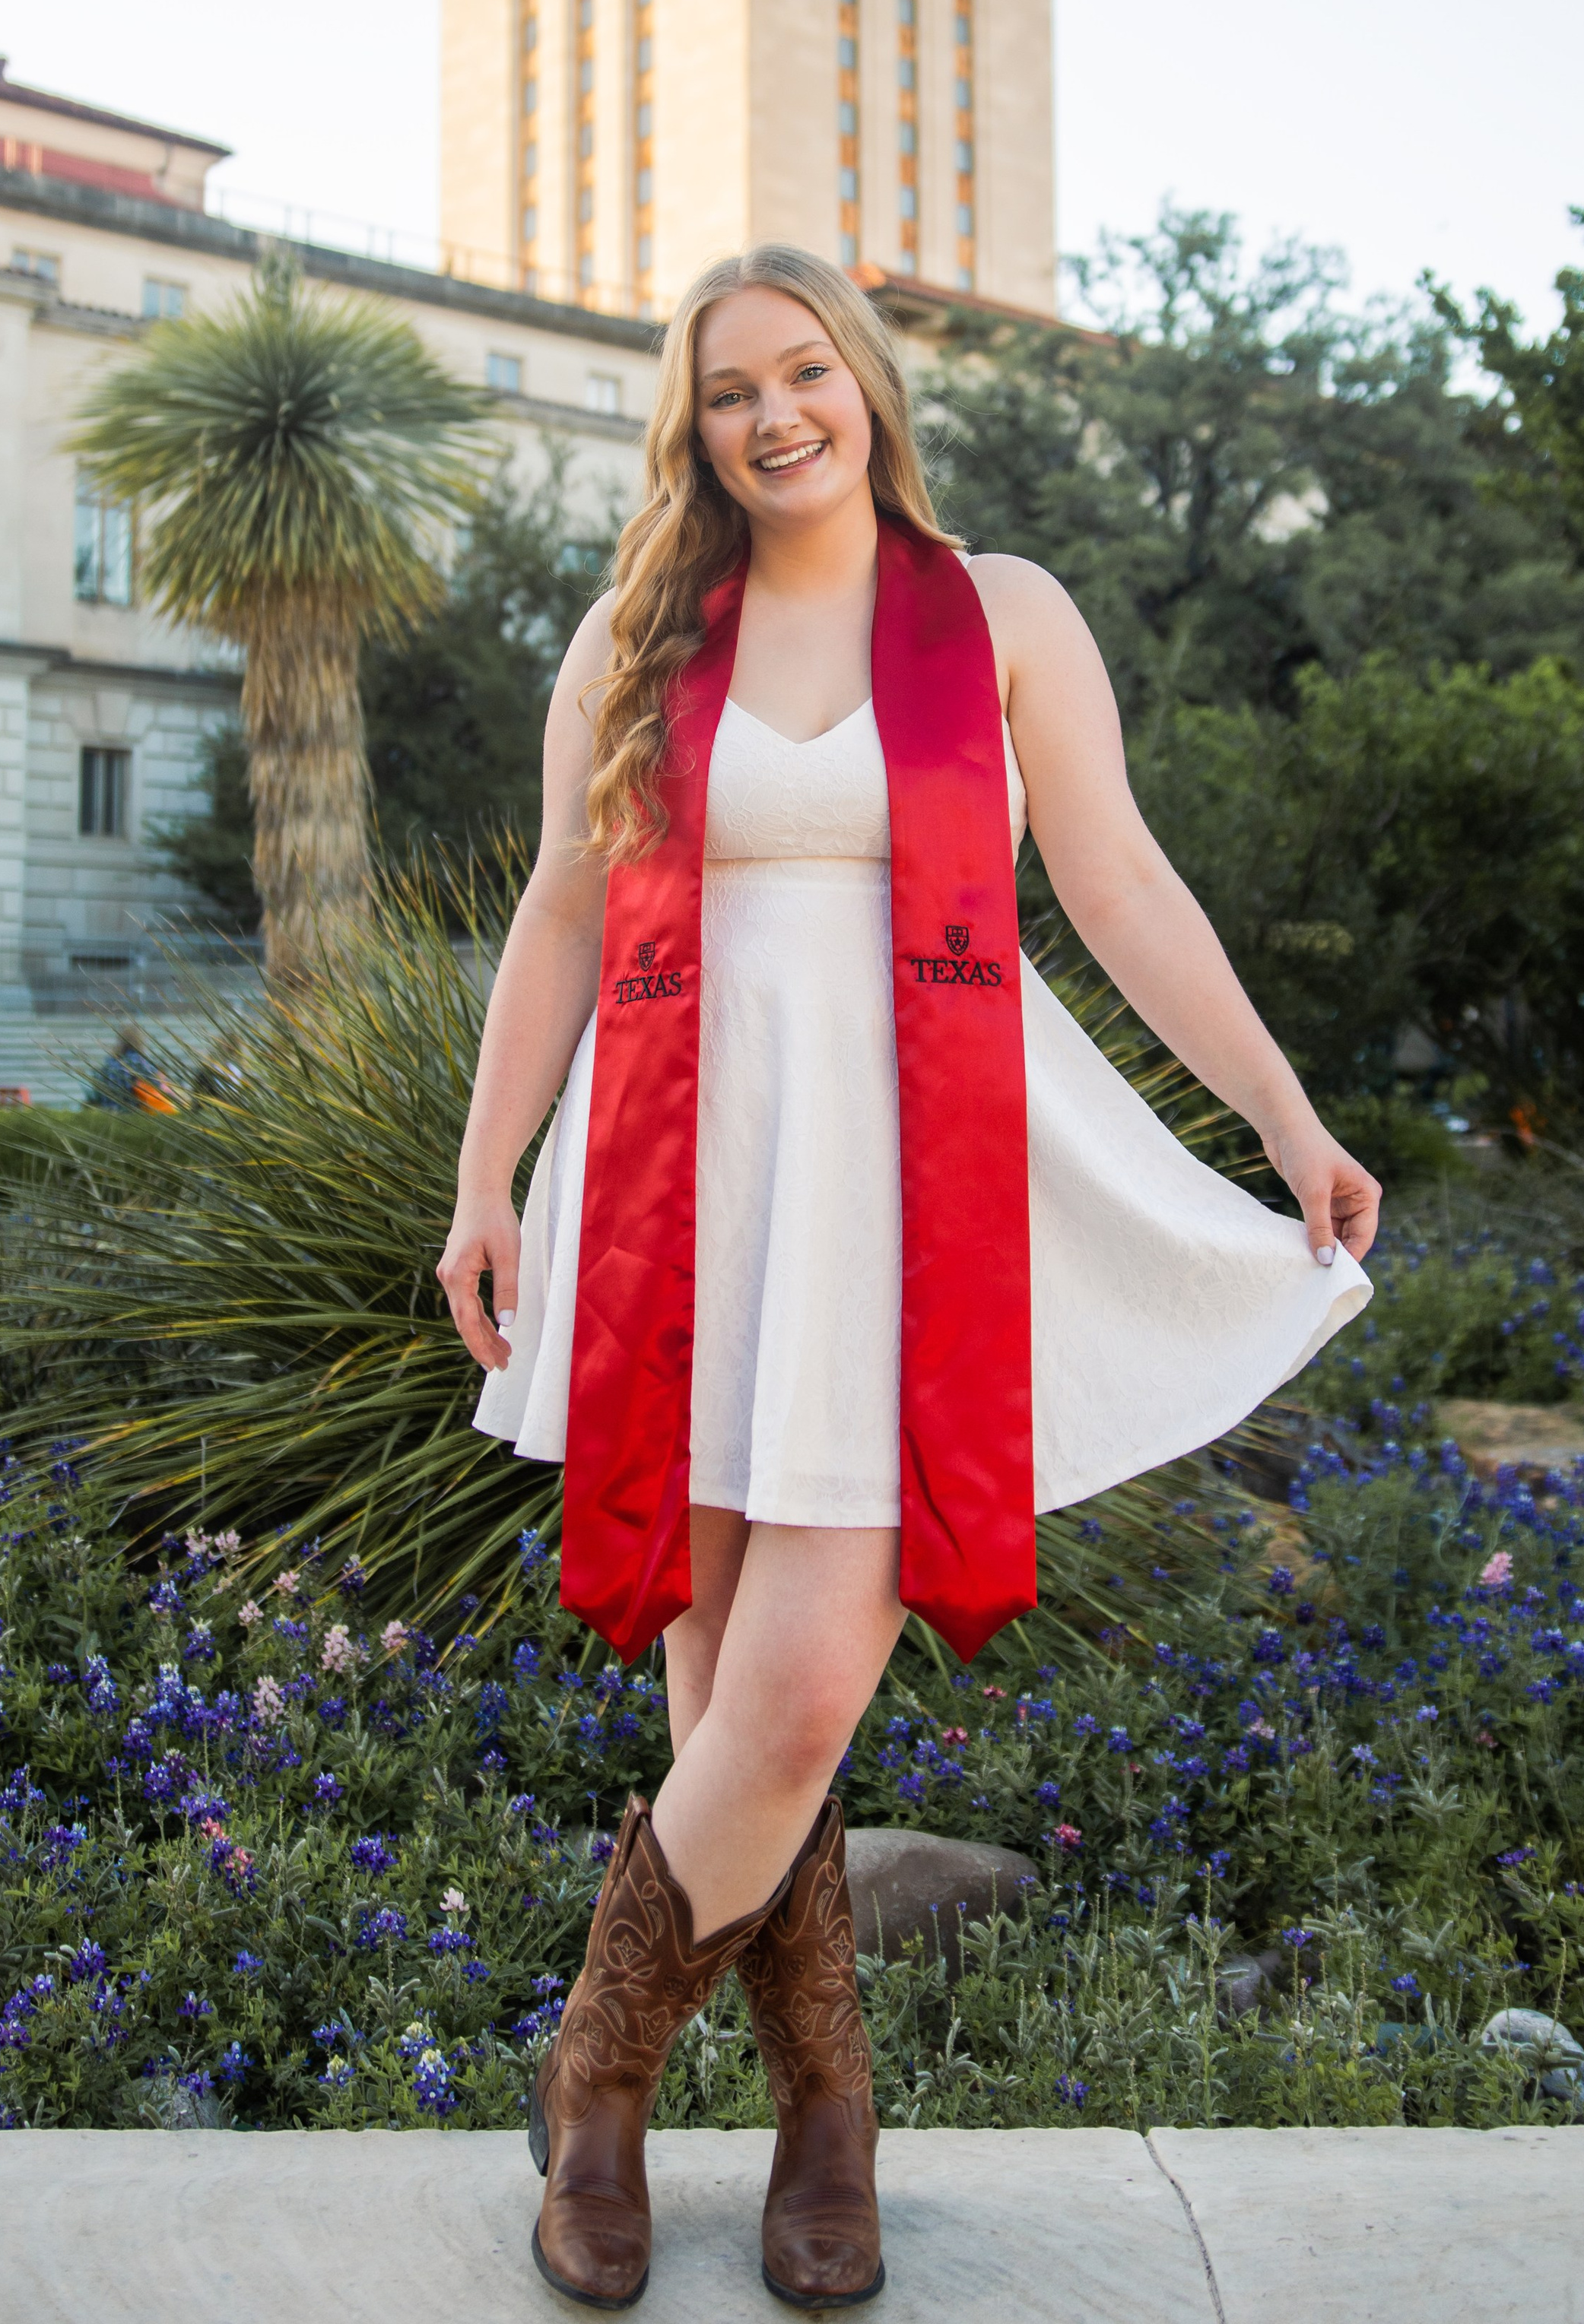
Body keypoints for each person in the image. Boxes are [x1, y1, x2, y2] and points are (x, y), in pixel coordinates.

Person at [438, 244, 1378, 2311]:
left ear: (864, 381)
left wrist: (1286, 1118)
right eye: (728, 392)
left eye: (805, 372)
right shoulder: (631, 637)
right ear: (689, 430)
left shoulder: (1002, 616)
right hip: (684, 1189)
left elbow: (1116, 879)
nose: (775, 414)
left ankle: (592, 2075)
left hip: (909, 1203)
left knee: (781, 1700)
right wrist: (485, 1177)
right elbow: (557, 921)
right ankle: (822, 2124)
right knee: (717, 1696)